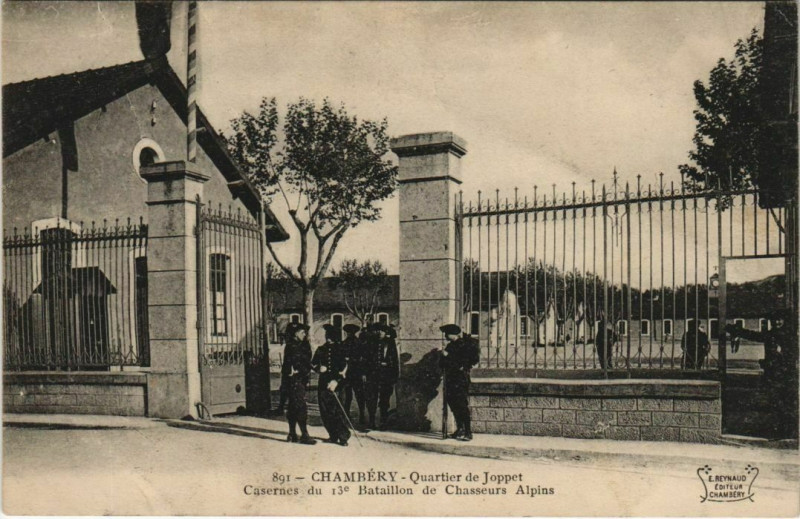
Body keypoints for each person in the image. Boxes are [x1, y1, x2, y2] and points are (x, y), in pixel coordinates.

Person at [727, 309, 798, 439]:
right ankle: (779, 430)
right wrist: (737, 331)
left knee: (784, 402)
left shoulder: (789, 336)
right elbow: (755, 336)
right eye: (774, 320)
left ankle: (786, 431)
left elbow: (792, 355)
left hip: (784, 375)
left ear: (784, 321)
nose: (776, 322)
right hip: (773, 374)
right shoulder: (771, 334)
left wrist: (779, 356)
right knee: (775, 402)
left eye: (779, 320)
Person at [311, 324, 351, 446]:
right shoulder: (321, 349)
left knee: (338, 410)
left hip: (337, 384)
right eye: (327, 336)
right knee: (325, 410)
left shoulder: (341, 349)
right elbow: (313, 363)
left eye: (330, 336)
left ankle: (343, 436)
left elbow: (345, 368)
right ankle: (333, 435)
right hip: (323, 384)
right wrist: (318, 368)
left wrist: (336, 381)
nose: (328, 338)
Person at [439, 324, 480, 441]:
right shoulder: (450, 346)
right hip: (451, 380)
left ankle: (468, 432)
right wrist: (444, 357)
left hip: (460, 379)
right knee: (453, 404)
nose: (445, 336)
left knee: (462, 404)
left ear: (453, 334)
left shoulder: (463, 345)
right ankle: (460, 428)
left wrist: (448, 356)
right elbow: (442, 364)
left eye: (447, 333)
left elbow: (461, 363)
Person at [281, 322, 316, 445]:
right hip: (293, 380)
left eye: (304, 332)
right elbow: (286, 364)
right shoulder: (290, 346)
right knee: (299, 405)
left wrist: (304, 369)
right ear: (295, 334)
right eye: (302, 332)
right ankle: (304, 435)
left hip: (301, 378)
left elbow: (307, 361)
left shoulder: (305, 345)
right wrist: (289, 371)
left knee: (294, 405)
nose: (304, 334)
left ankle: (292, 434)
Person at [364, 323, 399, 430]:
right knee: (371, 398)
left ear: (386, 333)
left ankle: (383, 422)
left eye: (382, 331)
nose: (380, 333)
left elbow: (394, 359)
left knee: (385, 399)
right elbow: (365, 360)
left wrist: (394, 374)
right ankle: (371, 421)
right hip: (372, 375)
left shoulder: (390, 343)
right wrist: (364, 373)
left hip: (386, 375)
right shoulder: (370, 343)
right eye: (378, 331)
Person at [341, 323, 367, 427]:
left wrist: (363, 373)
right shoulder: (343, 344)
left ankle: (362, 415)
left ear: (354, 332)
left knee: (359, 395)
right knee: (347, 396)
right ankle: (346, 415)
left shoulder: (360, 344)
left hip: (357, 372)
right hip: (347, 373)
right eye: (348, 332)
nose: (349, 334)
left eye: (350, 332)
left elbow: (364, 360)